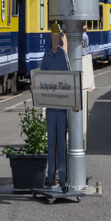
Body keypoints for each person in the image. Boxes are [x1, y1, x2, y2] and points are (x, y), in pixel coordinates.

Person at [40, 24, 73, 191]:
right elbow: (41, 78)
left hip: (61, 108)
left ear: (59, 38)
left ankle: (63, 178)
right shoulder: (46, 56)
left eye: (56, 37)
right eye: (52, 37)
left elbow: (68, 78)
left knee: (62, 143)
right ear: (50, 39)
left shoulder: (63, 55)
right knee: (51, 143)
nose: (54, 40)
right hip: (51, 108)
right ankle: (50, 177)